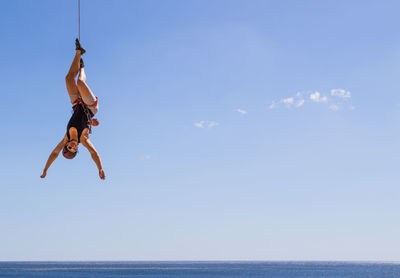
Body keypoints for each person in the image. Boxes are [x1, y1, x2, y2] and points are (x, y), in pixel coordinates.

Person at [40, 39, 105, 180]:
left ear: (66, 146)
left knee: (69, 79)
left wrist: (45, 169)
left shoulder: (66, 138)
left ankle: (78, 53)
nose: (73, 146)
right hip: (90, 107)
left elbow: (54, 153)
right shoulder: (83, 139)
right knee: (80, 82)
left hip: (76, 104)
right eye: (74, 149)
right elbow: (94, 153)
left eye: (70, 148)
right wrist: (100, 168)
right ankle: (82, 68)